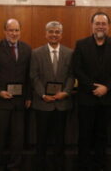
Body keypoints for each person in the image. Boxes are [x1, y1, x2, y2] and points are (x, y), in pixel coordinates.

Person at [72, 12, 111, 171]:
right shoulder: (81, 44)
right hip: (87, 98)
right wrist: (93, 88)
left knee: (102, 135)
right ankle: (83, 165)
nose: (100, 26)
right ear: (91, 25)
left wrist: (106, 87)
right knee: (84, 136)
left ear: (108, 26)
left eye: (103, 24)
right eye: (97, 23)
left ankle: (100, 165)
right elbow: (77, 69)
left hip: (107, 99)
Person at [0, 18, 32, 171]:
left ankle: (14, 167)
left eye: (17, 30)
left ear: (20, 31)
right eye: (11, 30)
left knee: (18, 140)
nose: (14, 33)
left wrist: (28, 96)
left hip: (19, 102)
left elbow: (28, 75)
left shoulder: (26, 48)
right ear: (5, 31)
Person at [30, 21, 74, 171]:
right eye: (51, 31)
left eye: (57, 32)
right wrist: (42, 94)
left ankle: (58, 167)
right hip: (43, 104)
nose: (54, 35)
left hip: (62, 104)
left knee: (60, 140)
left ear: (61, 35)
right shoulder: (36, 53)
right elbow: (34, 77)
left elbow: (71, 76)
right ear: (46, 33)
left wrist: (66, 92)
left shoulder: (70, 53)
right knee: (41, 140)